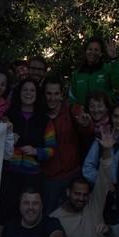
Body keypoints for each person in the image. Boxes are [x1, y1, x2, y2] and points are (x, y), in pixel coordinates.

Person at [0, 77, 56, 232]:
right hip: (9, 174)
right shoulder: (8, 115)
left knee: (30, 216)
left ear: (37, 94)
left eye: (32, 90)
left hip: (33, 177)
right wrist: (7, 137)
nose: (28, 93)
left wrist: (36, 151)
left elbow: (51, 149)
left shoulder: (45, 120)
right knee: (6, 215)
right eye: (25, 90)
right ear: (19, 93)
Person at [41, 77, 84, 212]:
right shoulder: (39, 115)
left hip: (72, 175)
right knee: (50, 216)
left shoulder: (72, 110)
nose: (52, 98)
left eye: (56, 94)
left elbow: (88, 132)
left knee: (74, 216)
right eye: (48, 93)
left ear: (61, 95)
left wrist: (86, 124)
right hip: (49, 178)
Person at [69, 37, 119, 105]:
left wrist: (114, 59)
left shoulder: (107, 69)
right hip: (83, 114)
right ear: (85, 51)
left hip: (103, 113)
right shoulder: (78, 74)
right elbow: (72, 97)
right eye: (90, 49)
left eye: (96, 50)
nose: (92, 52)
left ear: (101, 53)